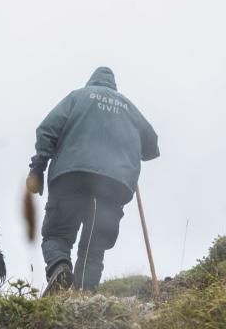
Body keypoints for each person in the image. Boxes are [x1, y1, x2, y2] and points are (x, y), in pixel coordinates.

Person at [26, 67, 159, 294]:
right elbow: (152, 146)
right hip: (115, 184)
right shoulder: (129, 108)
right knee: (94, 246)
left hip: (72, 175)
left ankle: (60, 267)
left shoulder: (78, 96)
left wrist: (38, 168)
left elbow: (48, 129)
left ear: (91, 81)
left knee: (57, 234)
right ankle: (84, 294)